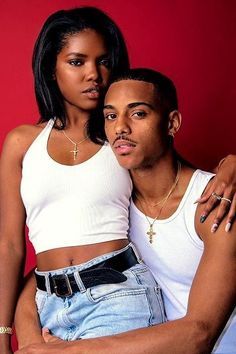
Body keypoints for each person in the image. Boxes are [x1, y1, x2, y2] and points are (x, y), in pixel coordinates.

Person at [15, 68, 236, 354]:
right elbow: (49, 271)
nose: (120, 127)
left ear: (172, 123)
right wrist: (30, 339)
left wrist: (69, 351)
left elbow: (200, 334)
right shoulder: (117, 201)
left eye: (138, 113)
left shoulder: (216, 202)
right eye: (110, 116)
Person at [0, 8, 168, 354]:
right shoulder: (21, 143)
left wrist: (230, 167)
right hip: (48, 306)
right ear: (51, 68)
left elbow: (176, 182)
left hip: (119, 296)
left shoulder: (123, 137)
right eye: (77, 62)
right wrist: (3, 332)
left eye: (103, 61)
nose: (94, 74)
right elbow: (9, 246)